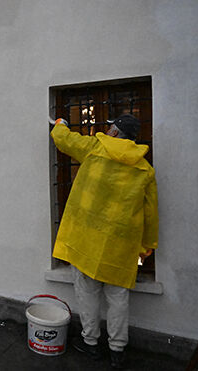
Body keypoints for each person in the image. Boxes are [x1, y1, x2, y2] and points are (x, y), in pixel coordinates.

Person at [50, 113, 158, 369]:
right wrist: (147, 247)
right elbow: (150, 213)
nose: (107, 130)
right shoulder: (144, 169)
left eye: (110, 127)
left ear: (115, 132)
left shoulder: (95, 148)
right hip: (121, 247)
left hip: (87, 241)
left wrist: (60, 125)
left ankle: (90, 343)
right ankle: (117, 350)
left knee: (87, 294)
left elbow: (64, 140)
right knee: (118, 298)